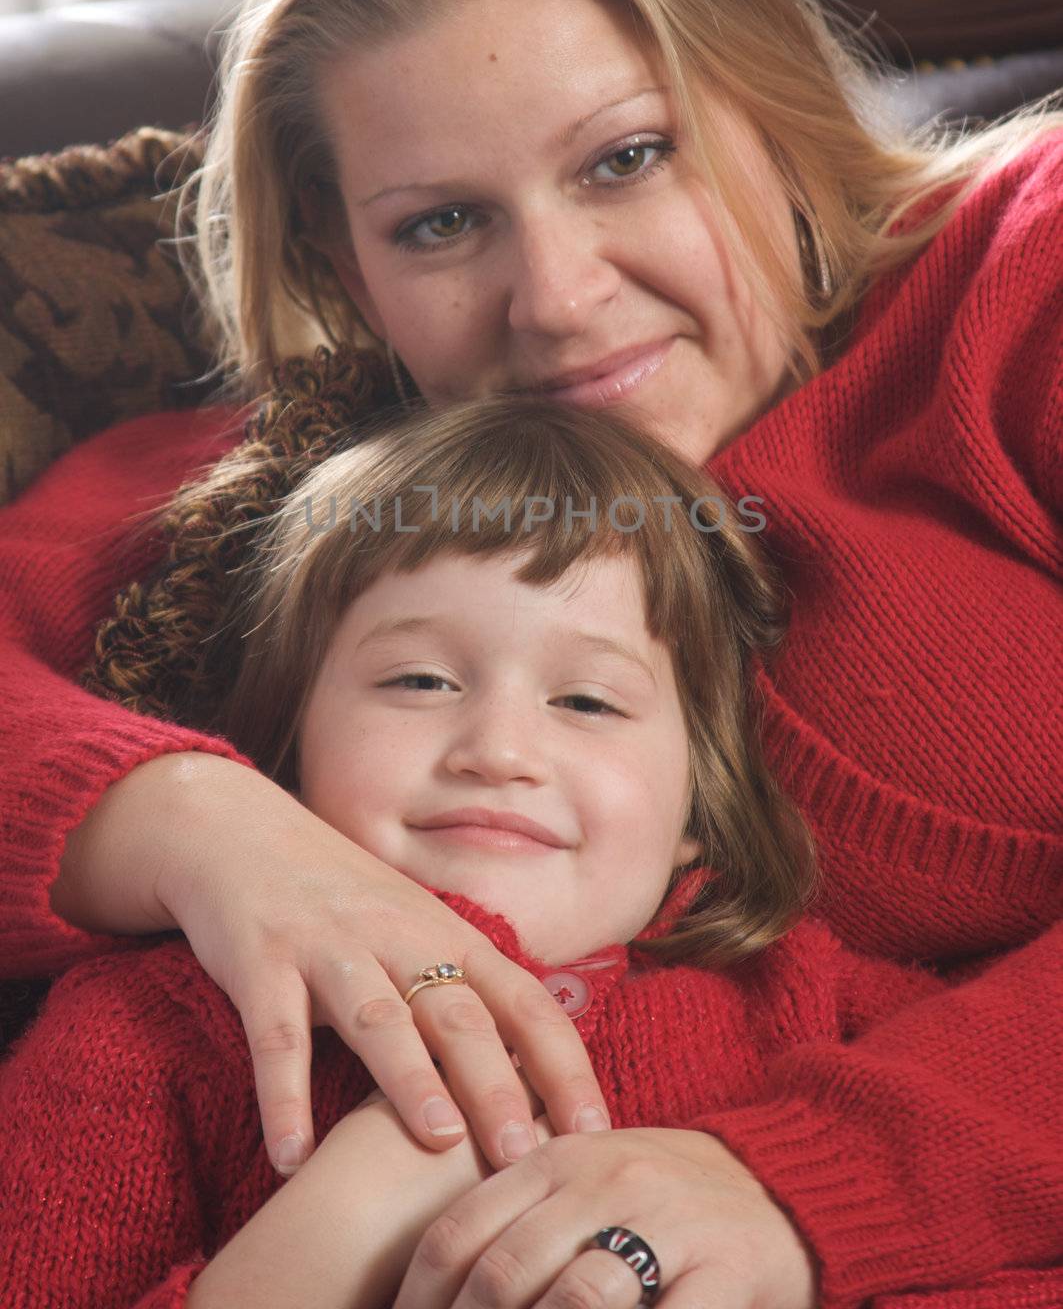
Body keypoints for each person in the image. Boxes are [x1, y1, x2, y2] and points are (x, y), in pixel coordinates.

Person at [0, 0, 1060, 1309]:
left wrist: (796, 1179)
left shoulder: (1017, 284)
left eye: (625, 157)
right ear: (338, 255)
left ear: (758, 85)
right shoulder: (332, 493)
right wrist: (213, 836)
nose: (554, 301)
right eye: (438, 224)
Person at [1, 392, 947, 1309]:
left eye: (586, 702)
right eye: (418, 680)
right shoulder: (146, 1039)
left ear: (697, 806)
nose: (498, 751)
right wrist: (321, 1248)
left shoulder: (813, 1009)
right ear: (282, 760)